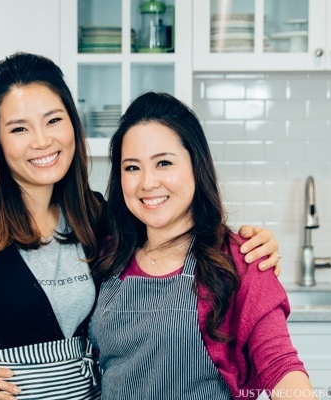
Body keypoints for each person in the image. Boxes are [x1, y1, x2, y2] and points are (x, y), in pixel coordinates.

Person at [0, 53, 281, 400]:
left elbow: (166, 222)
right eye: (19, 128)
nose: (42, 141)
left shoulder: (93, 214)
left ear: (73, 123)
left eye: (54, 120)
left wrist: (245, 243)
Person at [88, 91, 316, 400]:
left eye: (164, 163)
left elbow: (279, 365)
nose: (147, 182)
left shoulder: (240, 259)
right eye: (132, 167)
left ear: (196, 165)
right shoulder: (107, 256)